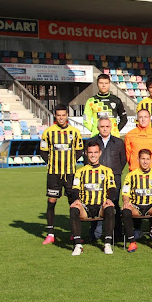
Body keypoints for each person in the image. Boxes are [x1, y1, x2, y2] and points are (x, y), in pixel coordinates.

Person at [40, 103, 84, 245]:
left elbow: (79, 150)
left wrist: (70, 162)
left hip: (71, 174)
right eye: (58, 115)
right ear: (55, 116)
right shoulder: (48, 132)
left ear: (67, 116)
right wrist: (52, 163)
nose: (61, 118)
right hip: (54, 174)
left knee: (73, 203)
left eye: (63, 115)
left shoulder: (75, 132)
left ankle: (74, 233)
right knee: (51, 202)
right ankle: (51, 234)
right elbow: (43, 151)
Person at [68, 140, 117, 256]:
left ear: (100, 153)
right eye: (90, 152)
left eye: (95, 152)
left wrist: (110, 199)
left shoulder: (107, 171)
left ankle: (107, 243)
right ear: (86, 153)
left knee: (110, 208)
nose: (93, 155)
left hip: (101, 207)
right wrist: (76, 200)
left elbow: (112, 189)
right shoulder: (80, 172)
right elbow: (75, 189)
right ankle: (78, 245)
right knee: (74, 209)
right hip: (85, 207)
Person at [121, 149, 152, 252]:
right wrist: (126, 202)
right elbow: (125, 193)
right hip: (136, 206)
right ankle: (132, 242)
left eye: (147, 159)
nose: (145, 162)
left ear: (151, 160)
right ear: (138, 159)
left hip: (151, 206)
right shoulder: (130, 175)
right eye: (143, 159)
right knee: (126, 210)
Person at [92, 117, 127, 242]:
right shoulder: (93, 141)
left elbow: (123, 160)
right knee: (96, 204)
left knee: (114, 205)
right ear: (98, 128)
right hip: (96, 179)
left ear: (111, 127)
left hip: (115, 178)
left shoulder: (118, 142)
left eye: (107, 126)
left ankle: (117, 234)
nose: (105, 129)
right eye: (102, 126)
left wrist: (115, 172)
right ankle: (95, 234)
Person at [83, 73, 128, 137]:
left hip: (113, 136)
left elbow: (124, 118)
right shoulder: (91, 101)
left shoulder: (116, 100)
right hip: (97, 136)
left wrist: (116, 130)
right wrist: (95, 130)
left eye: (106, 83)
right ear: (97, 84)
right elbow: (86, 119)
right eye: (101, 83)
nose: (103, 85)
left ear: (109, 84)